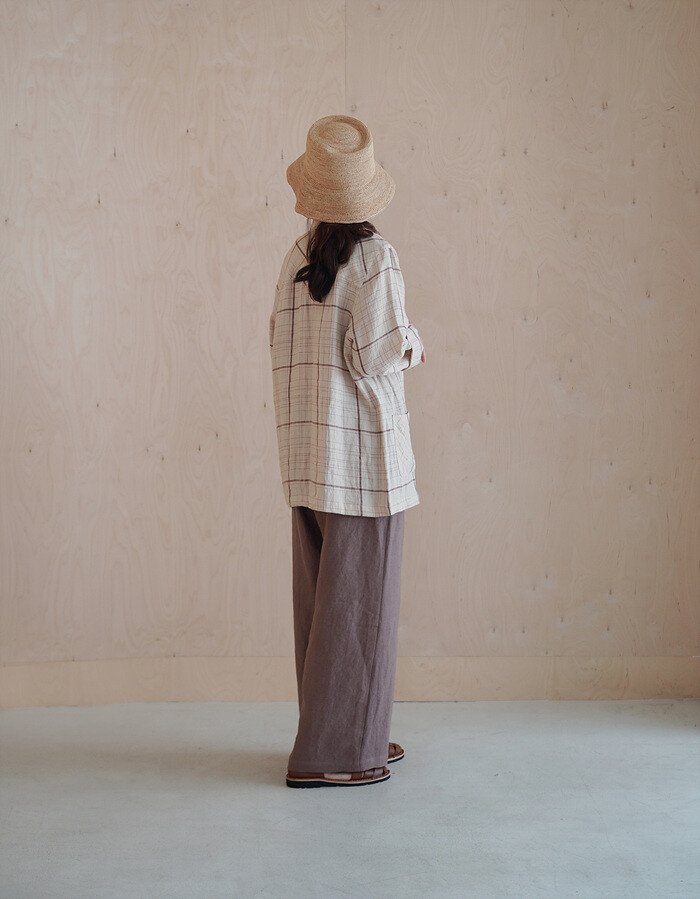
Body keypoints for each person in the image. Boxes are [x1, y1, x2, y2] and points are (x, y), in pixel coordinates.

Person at [269, 115, 425, 788]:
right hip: (364, 461)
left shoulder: (297, 258)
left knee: (322, 607)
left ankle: (338, 732)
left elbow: (281, 346)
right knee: (362, 607)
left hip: (307, 455)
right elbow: (378, 353)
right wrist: (413, 341)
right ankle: (339, 753)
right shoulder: (375, 257)